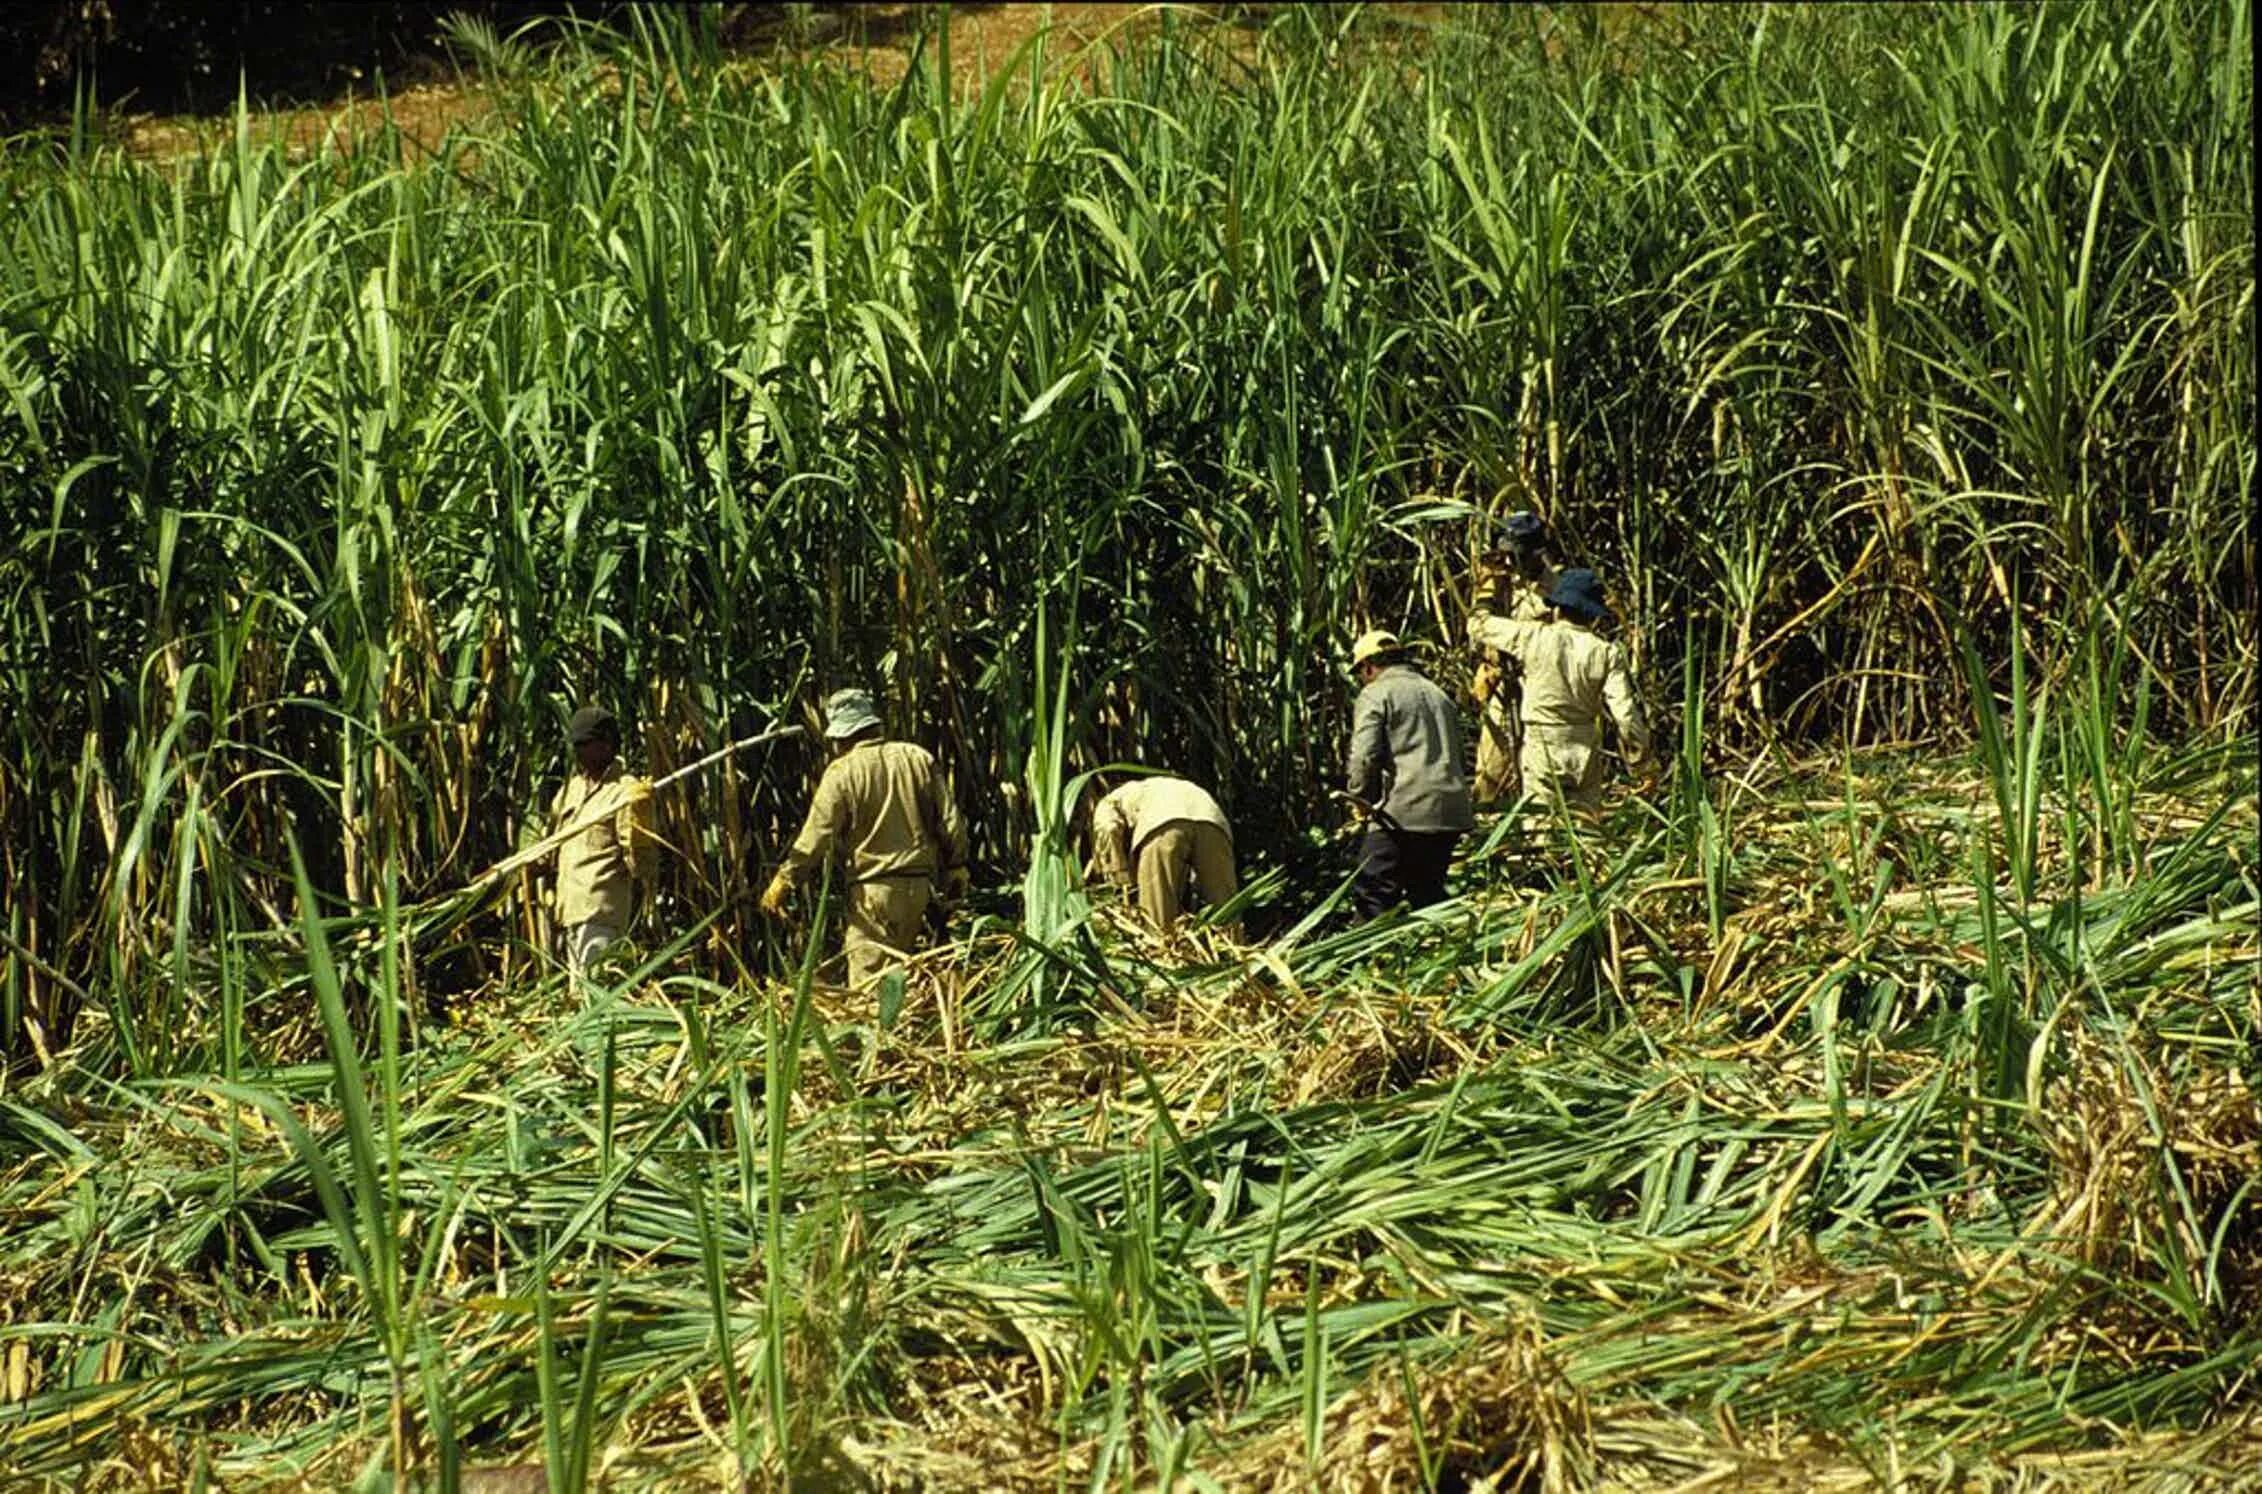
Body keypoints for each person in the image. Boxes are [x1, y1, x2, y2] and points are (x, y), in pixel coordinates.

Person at [760, 687, 969, 985]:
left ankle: (879, 1032)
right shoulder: (918, 757)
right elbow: (951, 821)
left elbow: (816, 836)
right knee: (911, 980)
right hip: (921, 889)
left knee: (870, 988)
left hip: (874, 895)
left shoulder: (842, 772)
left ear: (841, 737)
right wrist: (957, 865)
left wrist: (785, 880)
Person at [1466, 568, 1653, 811]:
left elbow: (1478, 625)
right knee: (1586, 830)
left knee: (1542, 826)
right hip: (1584, 746)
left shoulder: (1532, 637)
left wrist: (1485, 596)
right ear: (1593, 616)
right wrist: (1642, 765)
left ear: (1556, 608)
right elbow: (1625, 714)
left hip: (1542, 745)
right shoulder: (1606, 652)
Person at [1344, 629, 1475, 919]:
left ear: (1367, 667)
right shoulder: (1438, 694)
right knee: (1427, 894)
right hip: (1450, 812)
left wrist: (1360, 800)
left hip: (1403, 812)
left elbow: (1364, 757)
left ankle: (1368, 959)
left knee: (1372, 894)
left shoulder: (1376, 692)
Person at [545, 704, 657, 982]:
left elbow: (642, 866)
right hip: (569, 911)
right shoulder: (570, 790)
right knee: (579, 998)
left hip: (600, 913)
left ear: (607, 745)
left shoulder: (625, 791)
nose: (579, 752)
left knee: (595, 1000)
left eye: (586, 744)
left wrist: (641, 817)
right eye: (576, 745)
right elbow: (551, 846)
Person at [1469, 511, 1562, 805]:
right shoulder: (1497, 582)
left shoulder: (1556, 590)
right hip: (1500, 685)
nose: (1510, 562)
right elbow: (1476, 629)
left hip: (1538, 687)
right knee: (1490, 769)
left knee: (1539, 767)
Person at [1084, 773, 1238, 936]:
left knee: (1157, 915)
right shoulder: (1153, 787)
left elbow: (1108, 828)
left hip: (1162, 821)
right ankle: (1234, 952)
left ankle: (1158, 955)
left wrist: (1119, 879)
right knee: (1226, 906)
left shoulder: (1110, 800)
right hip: (1212, 819)